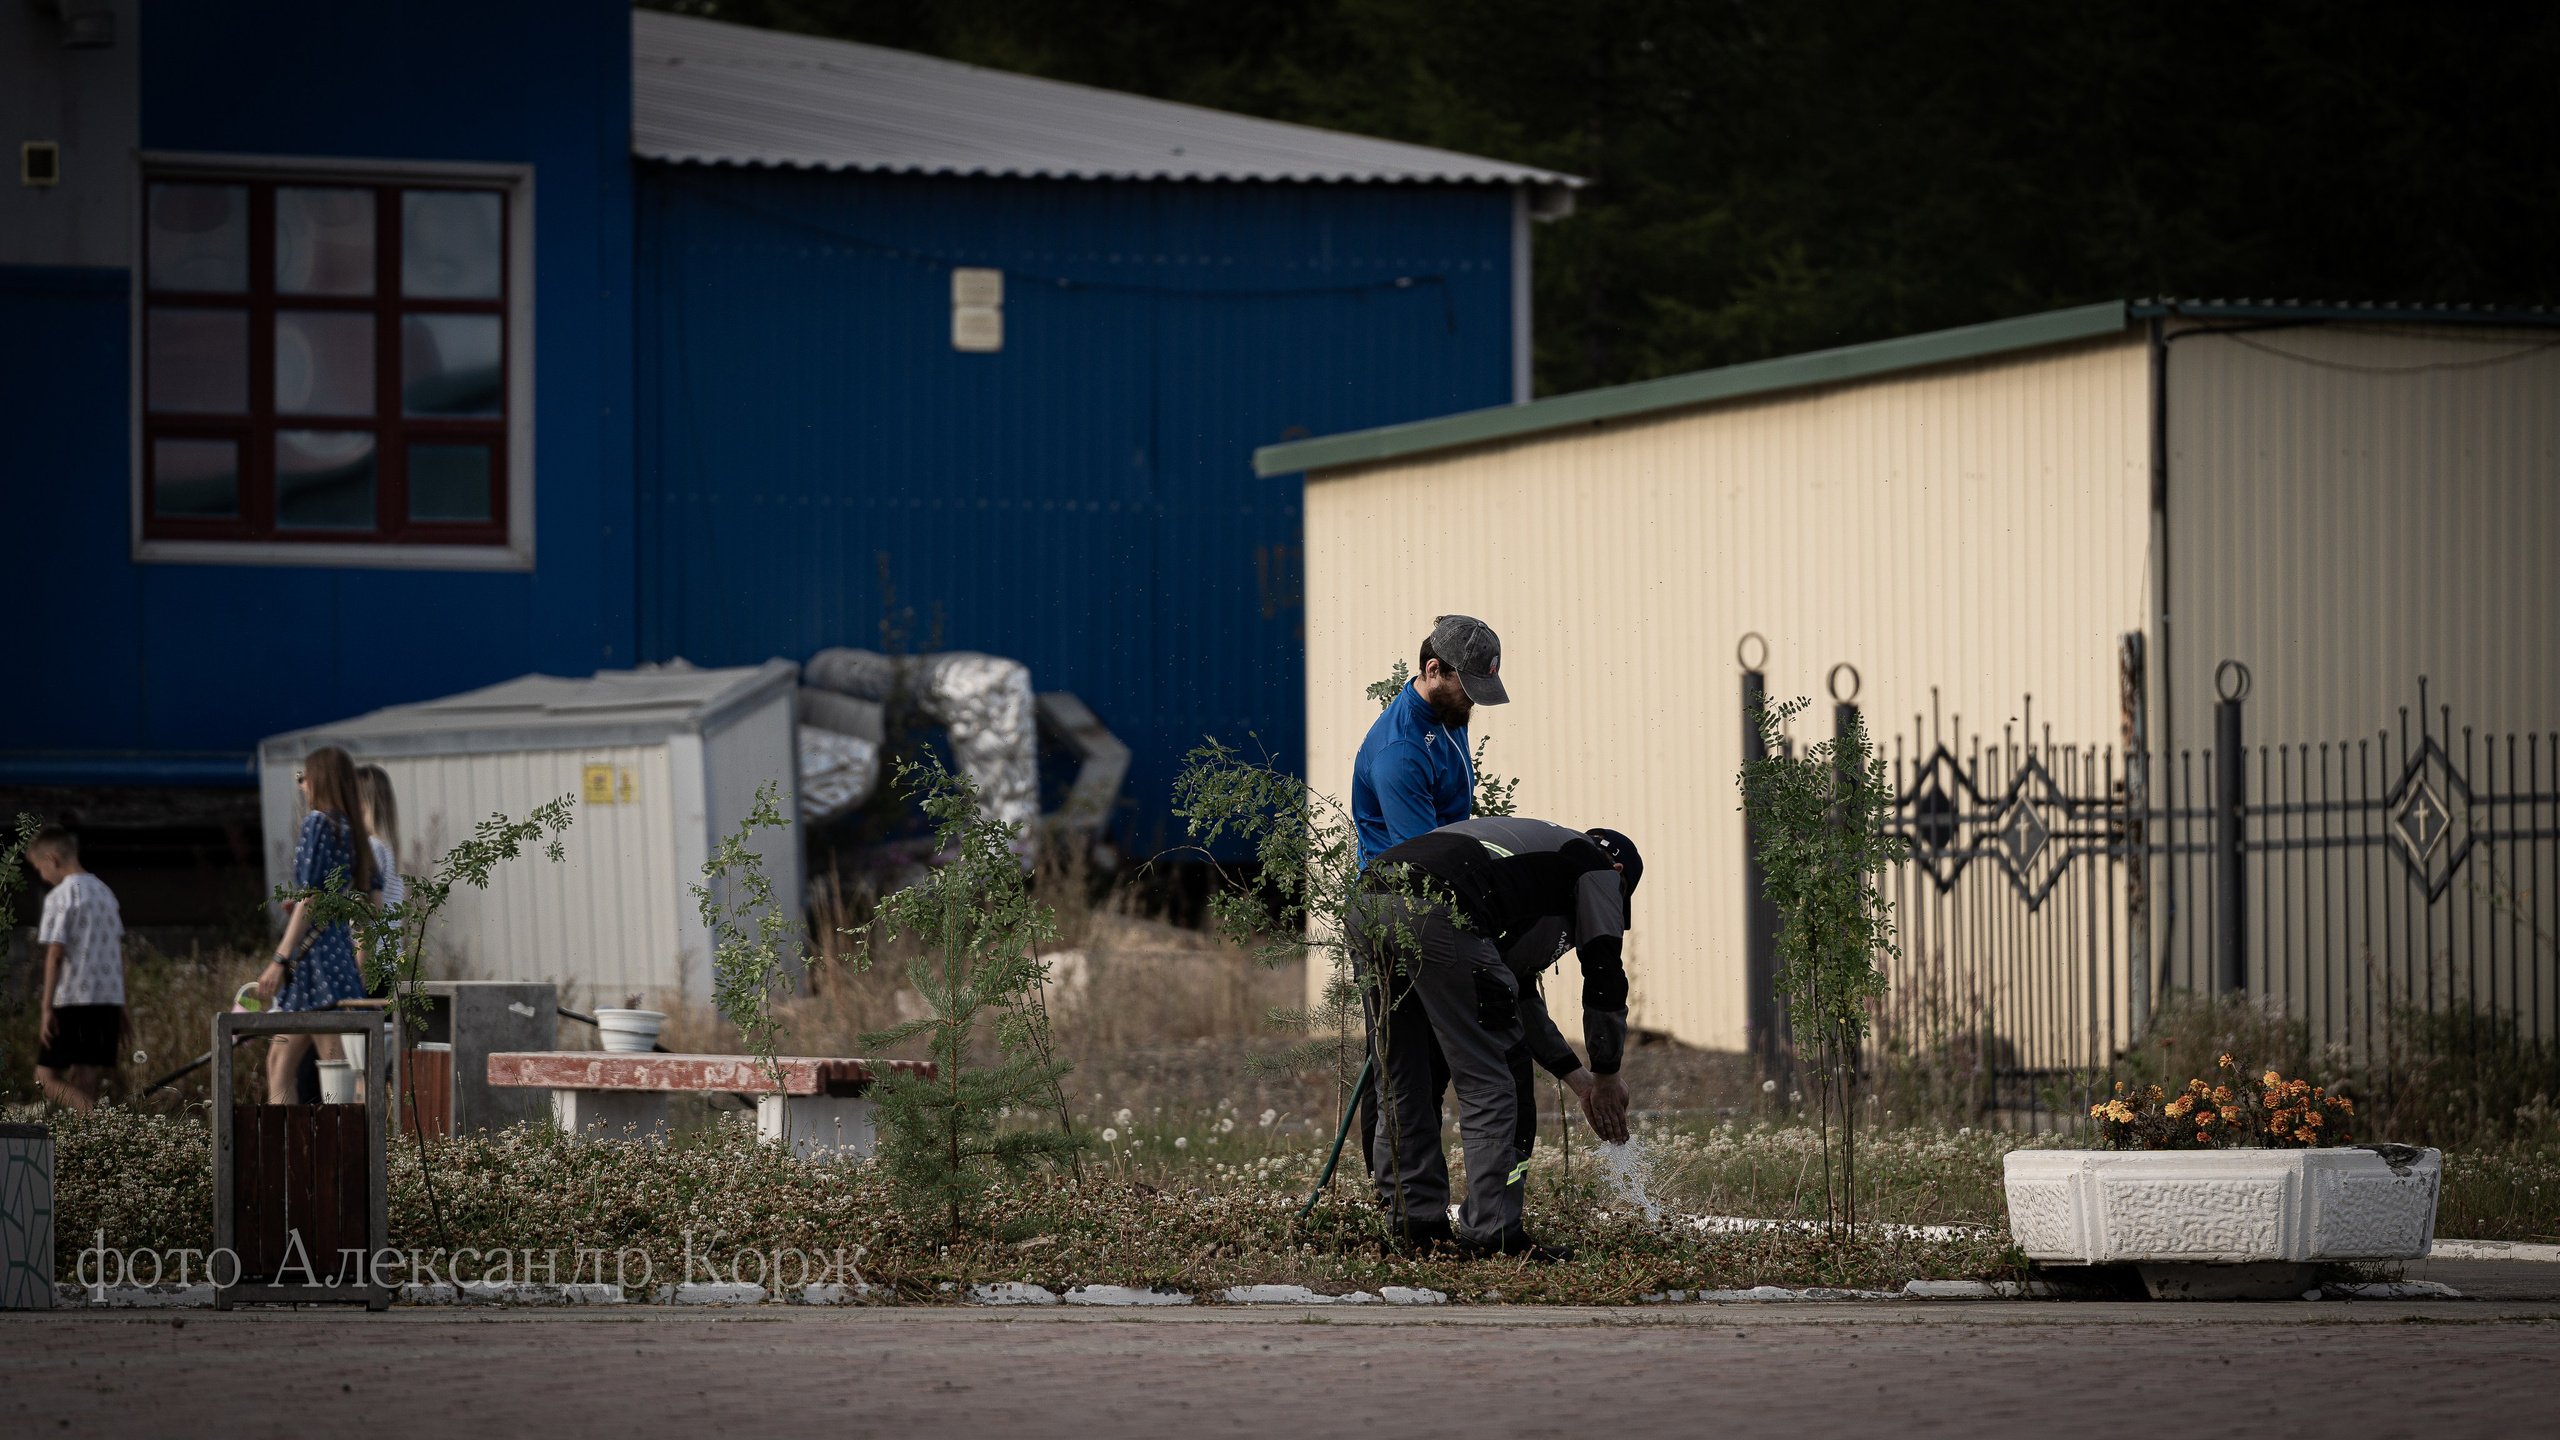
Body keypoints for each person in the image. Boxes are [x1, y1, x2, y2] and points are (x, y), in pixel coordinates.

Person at [1350, 816, 1641, 1259]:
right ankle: (1494, 1234)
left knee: (1406, 1076)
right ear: (1619, 876)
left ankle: (1415, 1226)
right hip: (1439, 908)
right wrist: (1607, 1075)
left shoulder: (1532, 868)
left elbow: (1514, 993)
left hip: (1369, 899)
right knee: (1496, 1080)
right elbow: (1604, 974)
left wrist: (1578, 1078)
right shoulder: (1598, 868)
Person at [256, 746, 380, 1102]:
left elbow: (311, 897)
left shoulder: (317, 823)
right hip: (336, 956)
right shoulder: (353, 830)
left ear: (319, 779)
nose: (300, 786)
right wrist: (361, 958)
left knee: (319, 1067)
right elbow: (371, 903)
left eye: (303, 778)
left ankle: (311, 1152)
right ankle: (332, 1147)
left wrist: (279, 960)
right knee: (316, 1064)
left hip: (312, 963)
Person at [1352, 614, 1507, 868]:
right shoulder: (1400, 755)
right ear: (1433, 670)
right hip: (1399, 895)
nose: (1474, 700)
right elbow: (1424, 862)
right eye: (1467, 687)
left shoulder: (1446, 709)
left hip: (1443, 863)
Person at [29, 826, 125, 1111]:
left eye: (39, 868)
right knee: (85, 1073)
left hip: (73, 999)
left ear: (51, 859)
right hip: (107, 999)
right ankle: (90, 1143)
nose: (42, 876)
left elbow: (55, 954)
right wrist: (123, 1006)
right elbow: (117, 953)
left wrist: (47, 1009)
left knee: (44, 1078)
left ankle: (99, 1125)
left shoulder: (61, 897)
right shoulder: (106, 893)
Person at [356, 764, 406, 995]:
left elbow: (365, 919)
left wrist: (359, 975)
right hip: (387, 967)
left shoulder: (371, 850)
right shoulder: (389, 851)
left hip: (366, 969)